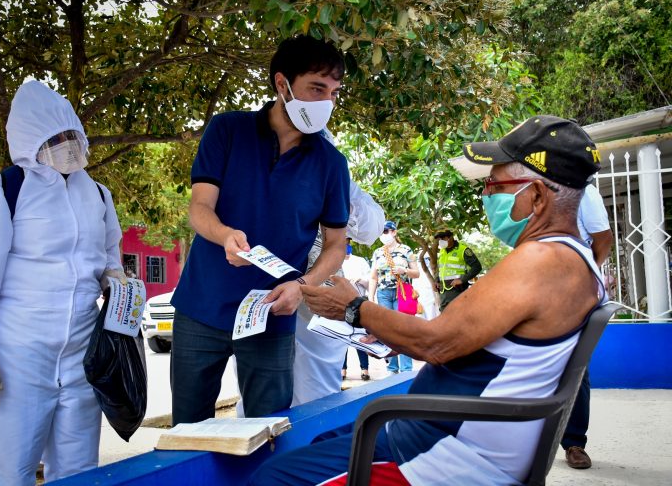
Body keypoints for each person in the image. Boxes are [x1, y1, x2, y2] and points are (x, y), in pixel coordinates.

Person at [249, 115, 607, 485]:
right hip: (442, 436)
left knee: (274, 477)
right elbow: (462, 338)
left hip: (439, 456)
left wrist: (354, 309)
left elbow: (434, 343)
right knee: (323, 441)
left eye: (495, 183)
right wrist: (382, 326)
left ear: (535, 194)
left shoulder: (540, 263)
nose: (486, 194)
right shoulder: (574, 260)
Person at [0, 80, 124, 485]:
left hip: (81, 353)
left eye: (70, 135)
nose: (66, 145)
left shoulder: (97, 194)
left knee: (78, 467)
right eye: (53, 137)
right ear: (28, 139)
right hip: (17, 354)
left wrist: (116, 281)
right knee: (4, 466)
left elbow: (109, 257)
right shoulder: (1, 193)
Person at [170, 35, 351, 424]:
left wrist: (303, 287)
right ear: (281, 83)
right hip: (202, 308)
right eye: (316, 88)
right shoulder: (227, 130)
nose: (326, 103)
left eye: (334, 93)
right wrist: (223, 235)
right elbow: (199, 208)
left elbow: (336, 245)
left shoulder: (332, 163)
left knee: (267, 431)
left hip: (273, 315)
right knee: (187, 431)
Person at [291, 183, 383, 406]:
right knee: (259, 401)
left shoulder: (332, 173)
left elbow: (372, 227)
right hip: (264, 294)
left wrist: (337, 200)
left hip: (320, 302)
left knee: (315, 395)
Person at [561, 181, 613, 469]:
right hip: (540, 284)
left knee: (576, 367)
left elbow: (603, 238)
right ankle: (529, 437)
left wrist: (585, 277)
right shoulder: (533, 189)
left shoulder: (583, 190)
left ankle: (574, 442)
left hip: (574, 290)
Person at [369, 220, 419, 374]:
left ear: (394, 232)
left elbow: (416, 273)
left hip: (401, 293)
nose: (383, 235)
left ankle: (406, 369)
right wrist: (371, 298)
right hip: (383, 293)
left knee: (403, 330)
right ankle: (392, 368)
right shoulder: (377, 252)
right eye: (381, 233)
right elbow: (373, 277)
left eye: (385, 231)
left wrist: (404, 270)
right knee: (387, 331)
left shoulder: (406, 250)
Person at [340, 237, 373, 381]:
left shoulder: (360, 261)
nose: (345, 244)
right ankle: (342, 370)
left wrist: (359, 279)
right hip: (341, 303)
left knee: (361, 337)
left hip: (359, 303)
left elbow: (370, 281)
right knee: (341, 338)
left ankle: (365, 369)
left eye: (347, 242)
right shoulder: (334, 261)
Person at [433, 228, 482, 311]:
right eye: (440, 239)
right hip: (443, 291)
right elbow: (441, 267)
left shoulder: (463, 250)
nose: (441, 241)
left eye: (443, 238)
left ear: (451, 237)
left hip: (457, 290)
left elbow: (477, 267)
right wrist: (437, 280)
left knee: (458, 316)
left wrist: (462, 280)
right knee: (446, 317)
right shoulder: (442, 251)